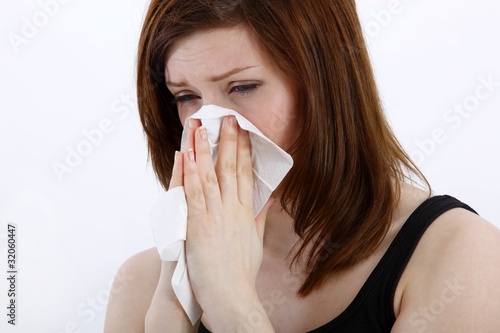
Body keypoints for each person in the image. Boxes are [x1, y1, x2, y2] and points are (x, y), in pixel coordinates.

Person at [104, 0, 500, 332]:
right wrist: (170, 313)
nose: (211, 126)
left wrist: (231, 302)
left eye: (242, 88)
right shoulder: (142, 286)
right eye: (186, 96)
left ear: (324, 85)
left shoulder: (459, 258)